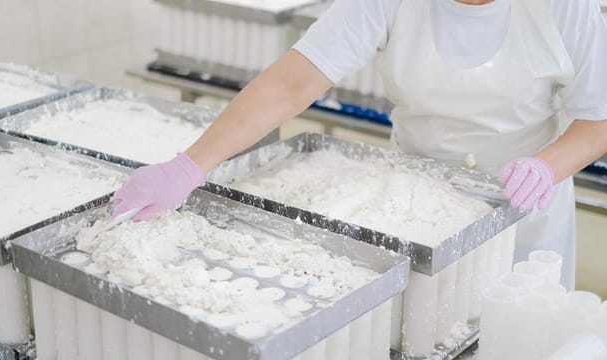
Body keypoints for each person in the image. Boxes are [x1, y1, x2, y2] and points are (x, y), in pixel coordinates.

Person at [113, 0, 607, 289]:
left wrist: (546, 166)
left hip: (523, 205)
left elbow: (599, 118)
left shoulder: (569, 8)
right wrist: (189, 166)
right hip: (415, 206)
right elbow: (295, 80)